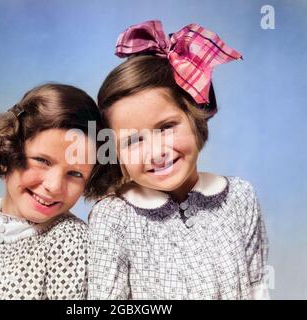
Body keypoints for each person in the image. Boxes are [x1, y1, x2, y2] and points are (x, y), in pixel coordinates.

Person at [88, 20, 269, 299]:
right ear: (114, 152)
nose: (156, 152)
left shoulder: (239, 198)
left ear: (196, 117)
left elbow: (257, 287)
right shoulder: (114, 217)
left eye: (166, 127)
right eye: (133, 141)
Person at [0, 83, 103, 299]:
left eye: (76, 174)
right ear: (9, 150)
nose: (54, 186)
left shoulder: (71, 243)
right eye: (42, 161)